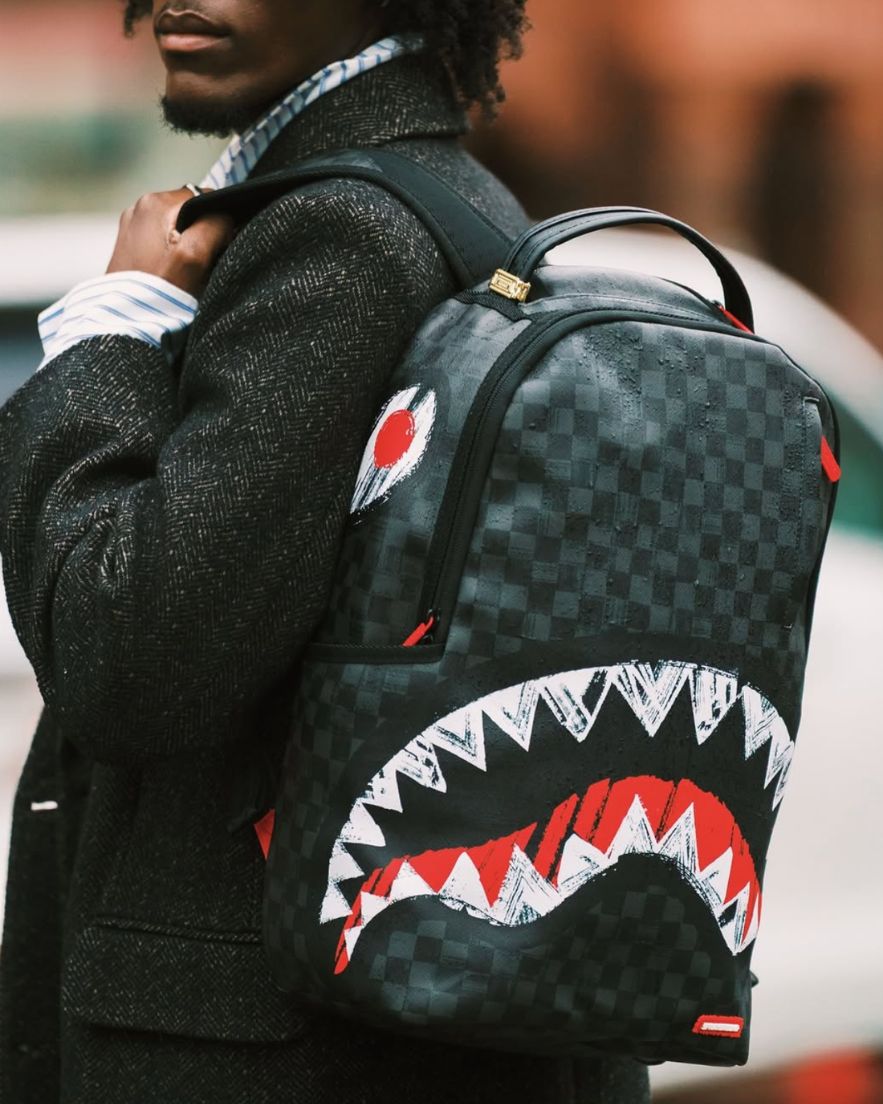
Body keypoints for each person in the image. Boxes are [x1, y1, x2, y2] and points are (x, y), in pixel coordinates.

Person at [0, 2, 651, 1102]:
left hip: (271, 1053)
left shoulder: (343, 235)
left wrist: (108, 331)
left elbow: (133, 655)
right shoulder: (447, 199)